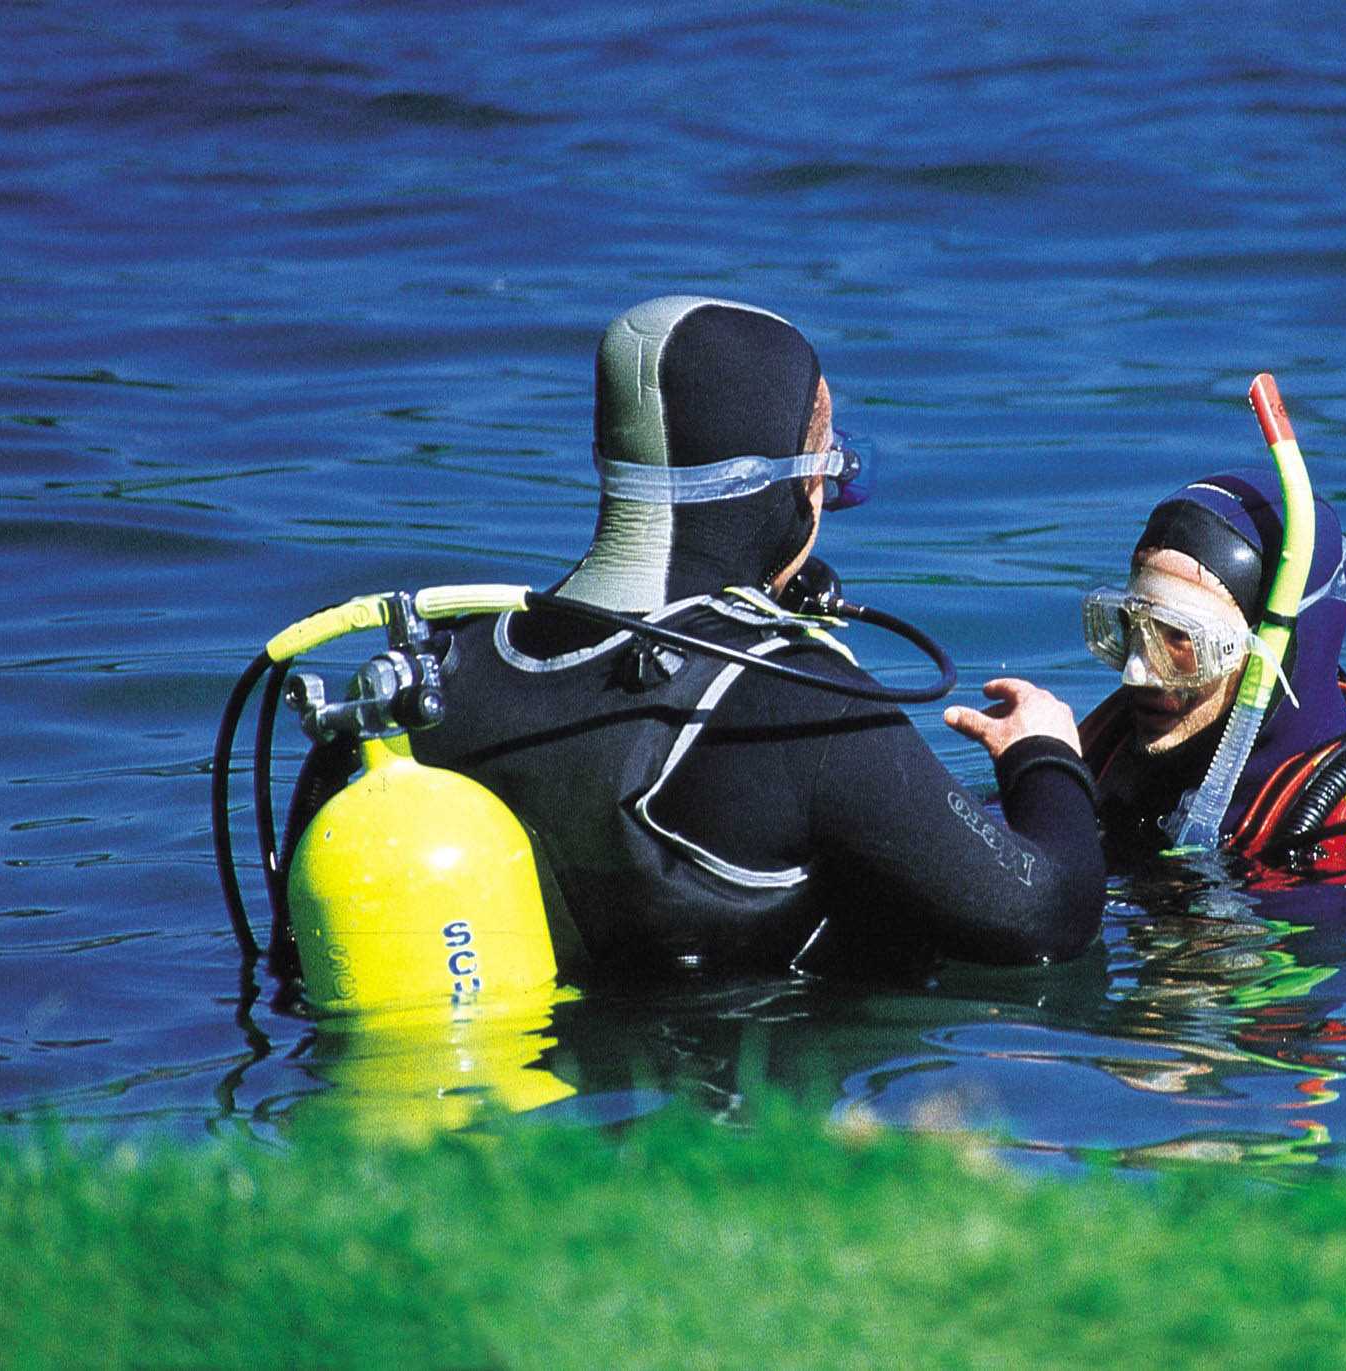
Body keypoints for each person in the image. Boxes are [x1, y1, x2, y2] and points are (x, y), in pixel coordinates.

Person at [279, 295, 1103, 983]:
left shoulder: (417, 681)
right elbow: (1045, 916)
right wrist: (1046, 759)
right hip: (723, 1130)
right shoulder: (797, 701)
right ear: (786, 490)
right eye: (828, 463)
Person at [1076, 468, 1346, 869]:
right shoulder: (1112, 754)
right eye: (1128, 628)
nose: (1137, 672)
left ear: (1275, 649)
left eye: (1180, 637)